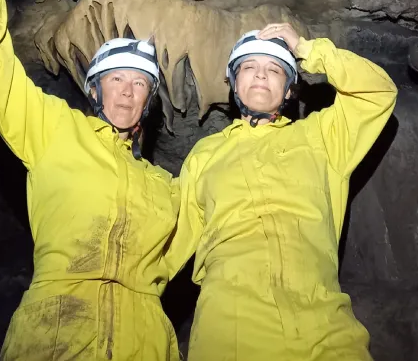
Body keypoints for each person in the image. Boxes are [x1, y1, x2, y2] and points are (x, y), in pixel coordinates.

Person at [166, 22, 398, 361]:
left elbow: (378, 92)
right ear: (233, 83)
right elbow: (171, 241)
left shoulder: (321, 138)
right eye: (249, 67)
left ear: (289, 90)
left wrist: (307, 49)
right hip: (230, 327)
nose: (261, 75)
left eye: (274, 69)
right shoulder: (205, 154)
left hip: (324, 322)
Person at [0, 0, 179, 361]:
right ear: (95, 87)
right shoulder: (56, 130)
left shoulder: (164, 186)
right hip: (58, 327)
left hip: (145, 336)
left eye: (140, 84)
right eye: (117, 79)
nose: (128, 93)